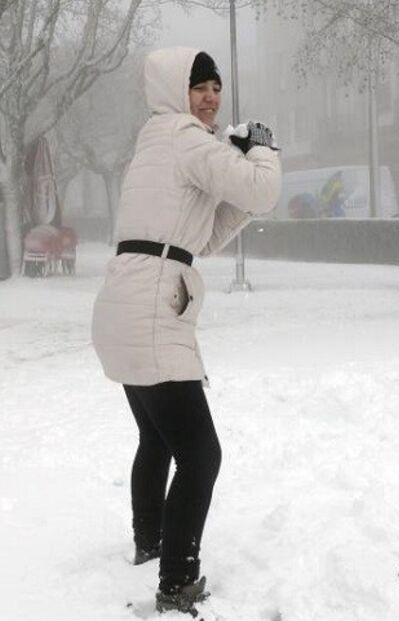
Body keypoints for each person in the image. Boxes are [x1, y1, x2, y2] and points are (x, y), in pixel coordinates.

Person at [91, 47, 281, 614]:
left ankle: (150, 542)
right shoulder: (182, 134)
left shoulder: (159, 140)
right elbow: (263, 189)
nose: (211, 98)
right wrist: (262, 149)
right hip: (151, 311)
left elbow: (203, 236)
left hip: (128, 305)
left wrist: (240, 190)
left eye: (216, 87)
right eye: (199, 87)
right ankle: (177, 582)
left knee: (157, 439)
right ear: (176, 92)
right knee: (201, 455)